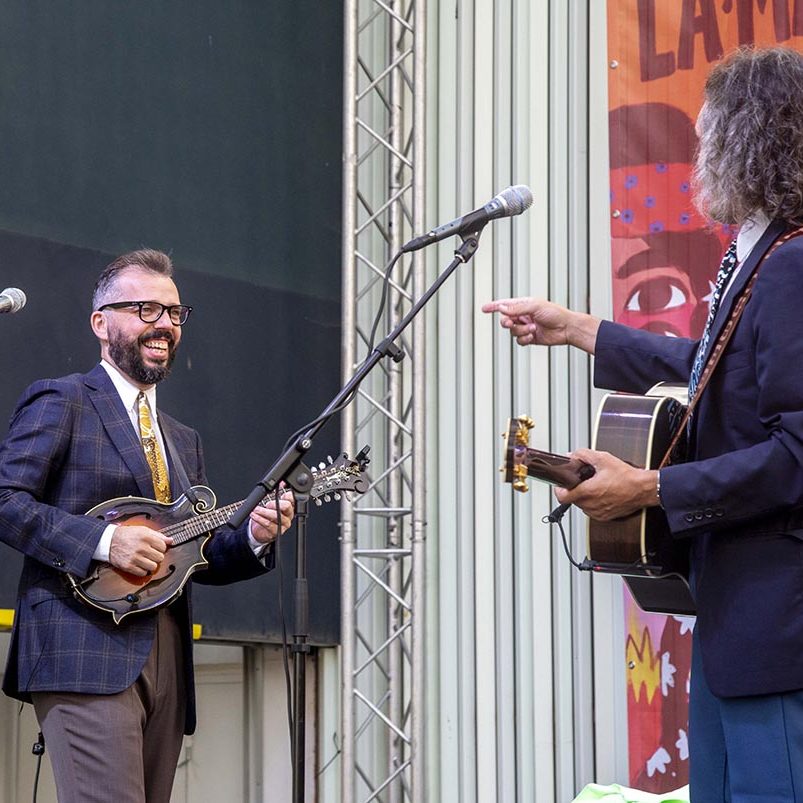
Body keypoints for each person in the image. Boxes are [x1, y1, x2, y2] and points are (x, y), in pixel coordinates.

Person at [483, 46, 803, 801]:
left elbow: (797, 453)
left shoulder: (790, 263)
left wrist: (650, 487)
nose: (697, 153)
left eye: (705, 134)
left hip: (777, 637)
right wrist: (578, 328)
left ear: (745, 138)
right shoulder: (760, 254)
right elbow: (707, 368)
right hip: (737, 630)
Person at [0, 248, 294, 802]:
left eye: (174, 313)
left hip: (166, 650)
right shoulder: (62, 400)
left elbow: (194, 555)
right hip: (81, 644)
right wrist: (107, 542)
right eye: (144, 309)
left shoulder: (183, 438)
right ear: (100, 322)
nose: (163, 324)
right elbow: (5, 499)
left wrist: (255, 535)